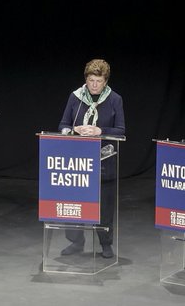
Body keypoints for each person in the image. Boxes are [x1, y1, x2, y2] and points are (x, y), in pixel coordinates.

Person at [57, 59, 125, 259]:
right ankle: (76, 242)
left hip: (104, 161)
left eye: (99, 81)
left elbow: (121, 131)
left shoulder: (114, 99)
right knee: (74, 202)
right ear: (86, 79)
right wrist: (72, 130)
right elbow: (63, 124)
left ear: (105, 82)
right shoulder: (75, 97)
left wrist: (99, 131)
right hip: (76, 162)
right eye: (91, 80)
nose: (94, 85)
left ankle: (105, 243)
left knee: (104, 206)